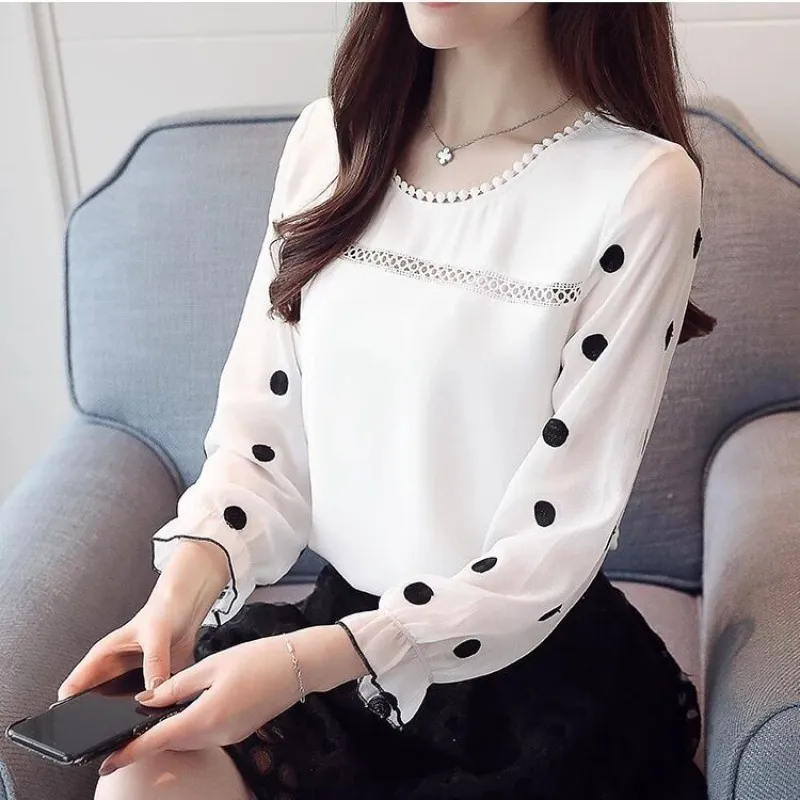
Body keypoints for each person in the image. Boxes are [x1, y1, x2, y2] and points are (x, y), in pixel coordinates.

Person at [60, 3, 714, 799]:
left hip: (526, 682)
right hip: (331, 644)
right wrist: (178, 599)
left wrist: (303, 665)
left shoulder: (641, 186)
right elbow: (262, 445)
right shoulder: (330, 141)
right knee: (141, 780)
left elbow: (557, 540)